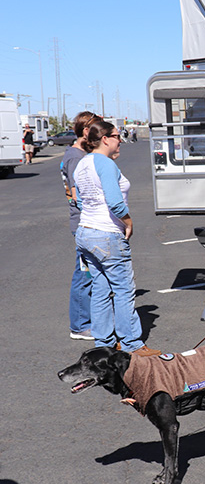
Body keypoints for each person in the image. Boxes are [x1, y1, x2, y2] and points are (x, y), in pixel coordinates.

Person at [74, 119, 160, 357]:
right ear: (105, 139)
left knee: (101, 288)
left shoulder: (82, 163)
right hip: (107, 234)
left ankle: (103, 342)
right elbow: (114, 202)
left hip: (86, 231)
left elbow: (79, 200)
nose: (120, 139)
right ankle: (132, 343)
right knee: (123, 290)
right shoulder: (105, 164)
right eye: (117, 136)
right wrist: (128, 221)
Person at [61, 112, 99, 341]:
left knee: (88, 272)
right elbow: (78, 196)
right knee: (83, 274)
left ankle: (86, 320)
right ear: (86, 131)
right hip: (84, 222)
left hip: (84, 222)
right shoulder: (75, 157)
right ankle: (80, 325)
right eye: (95, 130)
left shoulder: (78, 154)